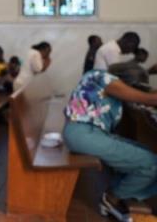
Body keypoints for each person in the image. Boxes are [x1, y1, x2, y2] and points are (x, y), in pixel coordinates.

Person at [63, 69, 157, 220]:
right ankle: (112, 198)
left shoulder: (100, 80)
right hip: (84, 134)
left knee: (144, 152)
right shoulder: (105, 78)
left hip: (87, 133)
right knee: (151, 163)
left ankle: (124, 193)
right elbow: (145, 98)